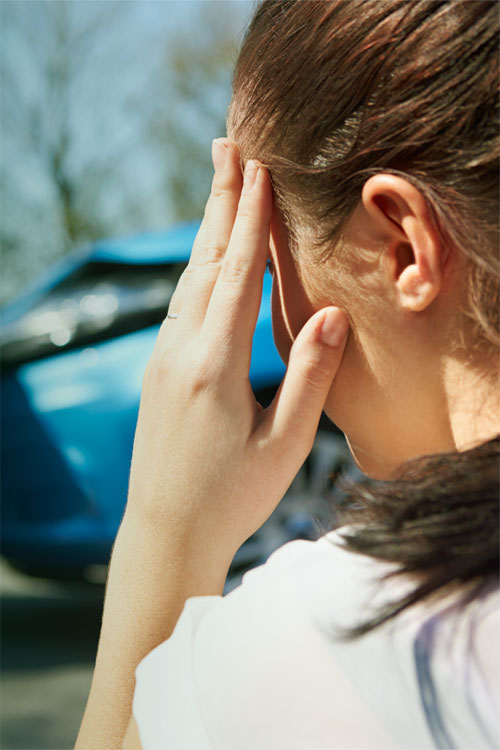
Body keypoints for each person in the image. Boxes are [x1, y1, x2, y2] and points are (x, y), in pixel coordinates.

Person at [76, 1, 499, 748]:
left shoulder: (342, 636)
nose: (276, 327)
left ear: (402, 249)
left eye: (273, 267)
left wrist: (163, 536)